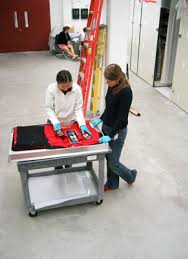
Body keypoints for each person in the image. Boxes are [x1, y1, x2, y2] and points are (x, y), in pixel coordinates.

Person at [92, 64, 137, 192]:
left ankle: (130, 176)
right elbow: (110, 107)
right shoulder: (111, 86)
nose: (107, 82)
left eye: (109, 80)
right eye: (106, 79)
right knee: (108, 157)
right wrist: (101, 118)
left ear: (117, 79)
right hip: (106, 126)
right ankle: (112, 183)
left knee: (113, 162)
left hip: (117, 131)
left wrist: (110, 135)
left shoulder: (126, 92)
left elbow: (122, 119)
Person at [45, 70, 91, 138]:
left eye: (68, 85)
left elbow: (78, 109)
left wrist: (82, 124)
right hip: (54, 121)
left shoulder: (77, 89)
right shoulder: (51, 89)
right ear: (57, 83)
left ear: (71, 82)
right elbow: (49, 108)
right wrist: (55, 123)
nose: (66, 88)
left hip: (71, 122)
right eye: (63, 86)